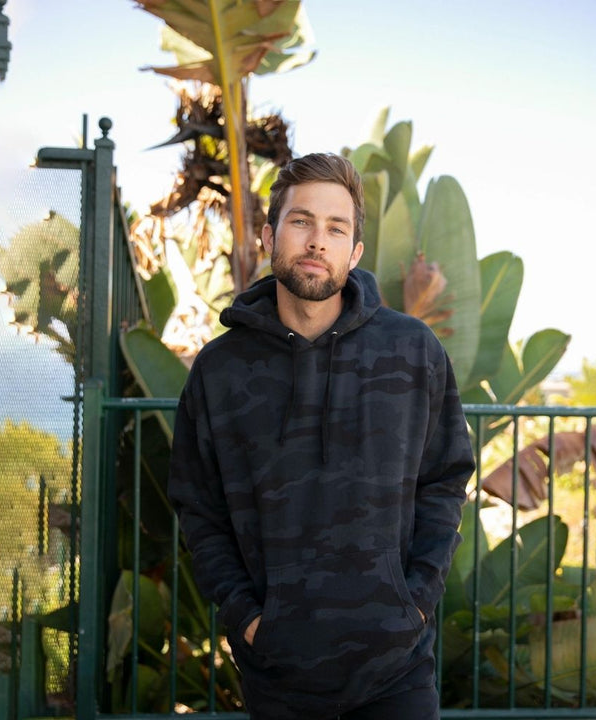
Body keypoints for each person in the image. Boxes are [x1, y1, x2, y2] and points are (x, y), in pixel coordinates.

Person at [168, 152, 475, 720]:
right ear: (269, 236)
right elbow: (198, 507)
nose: (317, 241)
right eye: (301, 221)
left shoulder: (412, 352)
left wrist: (415, 603)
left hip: (397, 673)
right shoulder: (220, 370)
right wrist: (248, 618)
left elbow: (445, 480)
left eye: (336, 228)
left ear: (354, 252)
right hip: (278, 675)